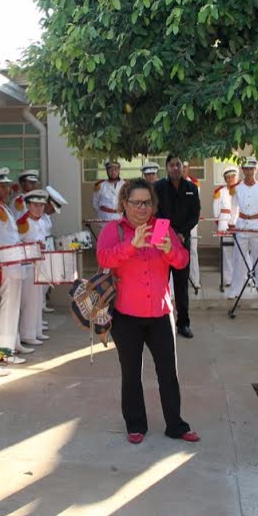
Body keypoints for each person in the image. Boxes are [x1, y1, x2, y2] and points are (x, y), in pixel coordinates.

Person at [96, 178, 199, 444]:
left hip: (160, 314)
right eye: (136, 203)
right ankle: (135, 424)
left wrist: (168, 250)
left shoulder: (162, 228)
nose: (142, 208)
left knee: (168, 372)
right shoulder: (114, 230)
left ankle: (175, 424)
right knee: (131, 372)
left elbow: (182, 261)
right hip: (126, 315)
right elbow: (103, 258)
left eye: (147, 203)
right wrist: (132, 245)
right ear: (124, 204)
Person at [154, 154, 201, 338]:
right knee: (160, 283)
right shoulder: (157, 187)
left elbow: (195, 214)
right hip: (162, 239)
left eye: (178, 165)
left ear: (183, 167)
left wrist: (182, 233)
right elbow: (154, 213)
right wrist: (170, 234)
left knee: (181, 286)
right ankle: (159, 323)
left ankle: (183, 324)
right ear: (166, 167)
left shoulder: (191, 188)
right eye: (172, 165)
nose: (175, 168)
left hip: (182, 240)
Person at [0, 168, 30, 361]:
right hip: (6, 264)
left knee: (13, 307)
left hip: (14, 263)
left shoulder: (3, 208)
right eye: (1, 186)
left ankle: (14, 342)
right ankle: (5, 351)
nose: (6, 189)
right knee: (8, 308)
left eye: (6, 186)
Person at [228, 158, 258, 302]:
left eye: (251, 169)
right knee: (238, 259)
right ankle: (235, 289)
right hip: (241, 224)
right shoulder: (237, 187)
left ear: (256, 170)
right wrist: (232, 222)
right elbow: (233, 207)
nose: (248, 171)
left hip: (256, 224)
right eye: (246, 169)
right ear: (242, 170)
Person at [17, 190, 51, 350]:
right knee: (29, 301)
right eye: (35, 205)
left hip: (39, 263)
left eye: (41, 205)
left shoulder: (41, 222)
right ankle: (27, 334)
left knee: (37, 299)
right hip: (28, 264)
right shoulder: (23, 222)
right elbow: (17, 243)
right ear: (28, 205)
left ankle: (36, 330)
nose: (39, 208)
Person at [213, 166, 239, 293]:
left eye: (232, 177)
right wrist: (220, 224)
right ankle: (228, 279)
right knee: (226, 251)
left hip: (239, 220)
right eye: (227, 177)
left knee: (240, 250)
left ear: (236, 177)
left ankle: (241, 278)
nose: (230, 179)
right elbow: (215, 211)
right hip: (224, 220)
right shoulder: (220, 191)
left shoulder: (241, 189)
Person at [183, 161, 202, 290]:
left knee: (193, 251)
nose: (182, 169)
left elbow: (196, 206)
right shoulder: (170, 183)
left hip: (190, 223)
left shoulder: (194, 184)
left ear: (188, 168)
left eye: (184, 167)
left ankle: (195, 280)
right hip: (176, 224)